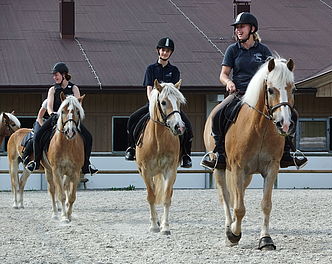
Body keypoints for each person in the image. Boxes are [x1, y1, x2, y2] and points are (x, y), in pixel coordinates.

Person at [200, 12, 307, 170]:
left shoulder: (263, 50)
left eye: (241, 27)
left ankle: (287, 152)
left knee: (293, 114)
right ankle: (219, 153)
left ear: (252, 29)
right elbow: (223, 74)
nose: (238, 30)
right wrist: (228, 82)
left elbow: (274, 74)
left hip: (260, 97)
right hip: (239, 94)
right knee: (217, 115)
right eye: (236, 27)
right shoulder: (232, 50)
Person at [125, 37, 193, 168]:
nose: (165, 53)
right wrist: (153, 103)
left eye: (168, 51)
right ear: (158, 51)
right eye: (163, 50)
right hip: (154, 104)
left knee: (188, 126)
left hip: (169, 106)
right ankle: (131, 148)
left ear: (170, 53)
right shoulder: (150, 69)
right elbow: (149, 89)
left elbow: (174, 91)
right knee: (132, 119)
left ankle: (185, 155)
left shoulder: (174, 70)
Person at [26, 62, 98, 175]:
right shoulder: (52, 89)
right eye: (54, 75)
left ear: (64, 75)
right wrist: (52, 114)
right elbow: (49, 106)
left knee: (88, 137)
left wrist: (74, 115)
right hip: (56, 117)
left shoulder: (74, 88)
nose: (54, 77)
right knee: (38, 135)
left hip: (71, 119)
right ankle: (35, 162)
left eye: (56, 75)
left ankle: (86, 164)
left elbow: (79, 105)